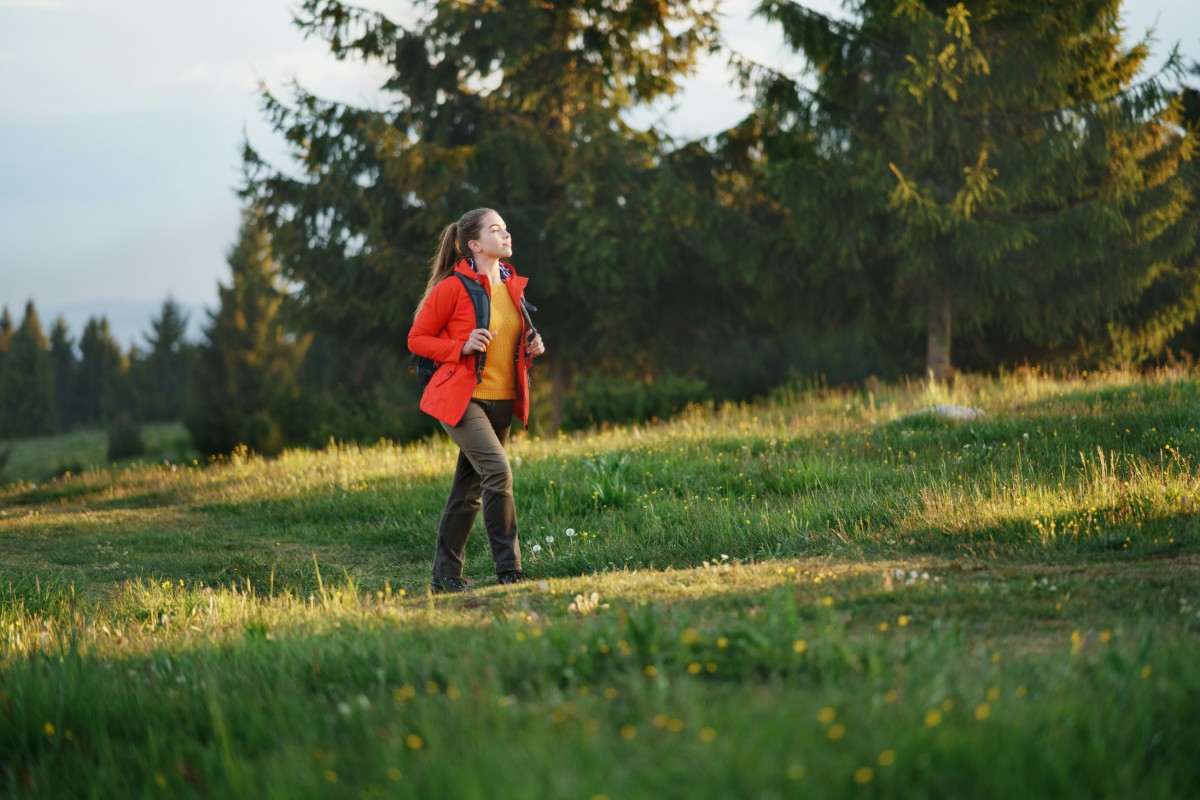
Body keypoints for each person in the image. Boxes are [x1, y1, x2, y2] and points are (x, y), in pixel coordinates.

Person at [408, 208, 546, 593]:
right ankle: (510, 571)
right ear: (473, 243)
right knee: (498, 472)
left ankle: (445, 576)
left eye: (505, 228)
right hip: (462, 400)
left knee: (468, 490)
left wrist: (532, 345)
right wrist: (460, 345)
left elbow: (508, 341)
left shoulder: (511, 284)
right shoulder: (453, 286)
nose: (506, 234)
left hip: (503, 399)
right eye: (495, 229)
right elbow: (416, 339)